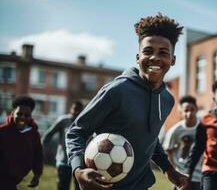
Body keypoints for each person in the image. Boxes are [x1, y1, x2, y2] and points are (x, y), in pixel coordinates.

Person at [66, 13, 188, 190]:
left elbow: (151, 139)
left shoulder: (167, 100)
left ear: (173, 60)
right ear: (138, 57)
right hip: (102, 185)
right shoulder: (117, 90)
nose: (155, 57)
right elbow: (76, 132)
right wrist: (78, 171)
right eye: (148, 51)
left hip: (140, 186)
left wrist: (169, 170)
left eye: (163, 53)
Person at [0, 95, 43, 190]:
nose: (22, 117)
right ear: (12, 113)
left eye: (26, 115)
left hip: (16, 179)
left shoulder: (33, 134)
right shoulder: (3, 131)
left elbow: (38, 156)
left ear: (31, 116)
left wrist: (37, 175)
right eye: (19, 114)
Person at [163, 95, 202, 190]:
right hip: (182, 175)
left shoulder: (203, 128)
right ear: (181, 112)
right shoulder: (175, 130)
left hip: (199, 176)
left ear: (196, 109)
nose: (189, 113)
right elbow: (168, 151)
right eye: (186, 110)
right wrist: (175, 168)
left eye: (192, 110)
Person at [42, 101, 83, 190]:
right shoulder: (63, 120)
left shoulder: (84, 123)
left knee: (79, 187)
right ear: (70, 109)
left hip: (79, 163)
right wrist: (41, 151)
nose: (76, 112)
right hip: (63, 161)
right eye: (74, 109)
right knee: (62, 187)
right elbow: (48, 135)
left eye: (79, 111)